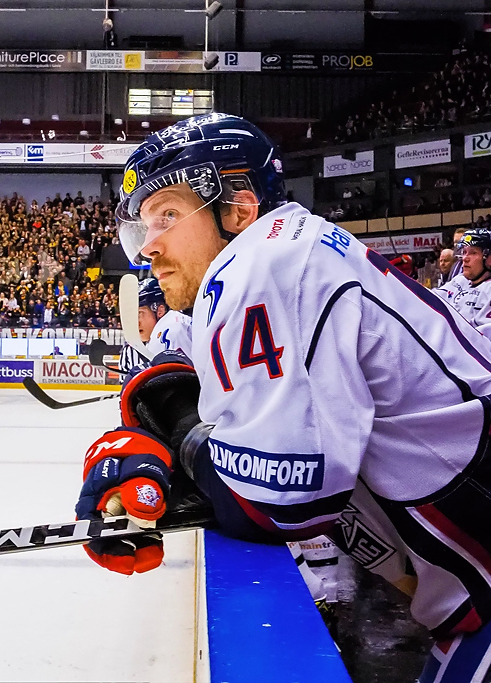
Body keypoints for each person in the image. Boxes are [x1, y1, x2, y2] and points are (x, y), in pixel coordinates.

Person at [76, 112, 491, 683]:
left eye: (167, 215)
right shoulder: (289, 252)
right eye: (141, 227)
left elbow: (279, 504)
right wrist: (168, 449)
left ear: (238, 210)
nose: (147, 247)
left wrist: (174, 432)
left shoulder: (266, 260)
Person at [117, 277, 191, 377]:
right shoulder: (173, 323)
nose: (135, 323)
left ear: (160, 311)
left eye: (139, 314)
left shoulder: (170, 330)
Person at [435, 228, 491, 331]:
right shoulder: (460, 280)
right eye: (464, 252)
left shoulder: (488, 290)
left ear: (489, 258)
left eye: (473, 253)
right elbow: (433, 299)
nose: (465, 258)